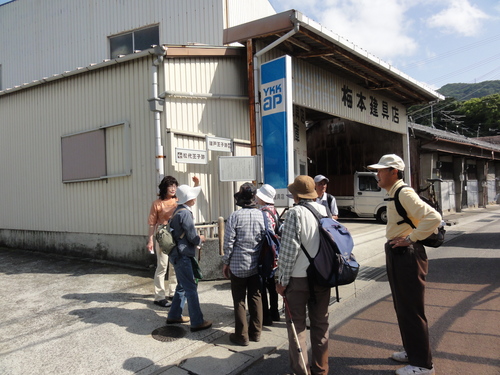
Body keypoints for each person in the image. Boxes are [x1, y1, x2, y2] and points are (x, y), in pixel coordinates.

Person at [367, 154, 441, 375]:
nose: (376, 174)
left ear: (394, 172)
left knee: (411, 309)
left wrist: (411, 238)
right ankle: (412, 351)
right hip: (399, 253)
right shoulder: (394, 193)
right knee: (402, 306)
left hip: (407, 254)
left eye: (380, 170)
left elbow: (433, 217)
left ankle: (423, 364)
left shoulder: (403, 192)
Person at [276, 175, 330, 375]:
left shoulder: (294, 213)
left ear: (295, 195)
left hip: (298, 278)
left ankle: (300, 372)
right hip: (322, 276)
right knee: (320, 324)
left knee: (297, 326)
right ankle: (321, 369)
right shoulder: (324, 210)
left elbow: (288, 251)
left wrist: (281, 281)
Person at [222, 183, 265, 346]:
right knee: (256, 297)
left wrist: (226, 262)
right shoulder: (262, 215)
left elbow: (229, 243)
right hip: (256, 264)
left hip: (238, 264)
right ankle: (256, 332)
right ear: (254, 197)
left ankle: (242, 336)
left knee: (239, 299)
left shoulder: (235, 216)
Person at [166, 184, 212, 332]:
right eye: (193, 196)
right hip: (183, 254)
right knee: (191, 288)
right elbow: (192, 236)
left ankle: (174, 315)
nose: (195, 198)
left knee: (182, 286)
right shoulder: (185, 213)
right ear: (189, 198)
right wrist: (201, 239)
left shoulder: (177, 211)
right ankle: (197, 321)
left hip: (176, 254)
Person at [147, 175, 178, 308]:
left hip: (176, 233)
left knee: (174, 265)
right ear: (164, 188)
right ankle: (159, 296)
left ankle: (173, 292)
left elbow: (191, 197)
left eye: (175, 186)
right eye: (170, 186)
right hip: (163, 234)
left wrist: (197, 184)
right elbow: (151, 223)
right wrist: (150, 240)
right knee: (162, 265)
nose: (173, 188)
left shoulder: (178, 200)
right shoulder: (157, 203)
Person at [255, 184, 281, 326]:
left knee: (262, 284)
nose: (256, 197)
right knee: (272, 283)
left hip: (264, 252)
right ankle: (275, 312)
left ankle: (266, 316)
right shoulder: (274, 211)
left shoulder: (263, 212)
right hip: (273, 252)